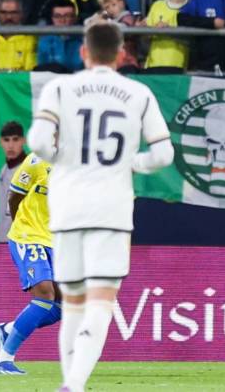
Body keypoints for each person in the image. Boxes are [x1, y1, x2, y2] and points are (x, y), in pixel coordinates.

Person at [27, 21, 174, 392]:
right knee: (101, 301)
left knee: (73, 302)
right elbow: (163, 153)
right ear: (123, 55)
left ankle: (69, 382)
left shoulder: (60, 87)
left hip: (67, 208)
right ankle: (74, 385)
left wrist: (63, 157)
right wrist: (130, 163)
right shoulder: (138, 93)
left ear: (83, 52)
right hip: (112, 210)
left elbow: (39, 141)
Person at [0, 153, 60, 375]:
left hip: (57, 240)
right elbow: (15, 196)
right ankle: (4, 359)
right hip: (29, 236)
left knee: (66, 306)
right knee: (45, 293)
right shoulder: (36, 160)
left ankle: (7, 330)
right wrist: (24, 223)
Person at [143, 0, 191, 72]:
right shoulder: (157, 5)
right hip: (154, 63)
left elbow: (193, 39)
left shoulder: (193, 6)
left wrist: (170, 30)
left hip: (179, 64)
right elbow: (146, 35)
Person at [0, 121, 27, 243]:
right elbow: (6, 210)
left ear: (24, 141)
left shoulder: (29, 169)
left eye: (15, 139)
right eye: (6, 140)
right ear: (1, 142)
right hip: (5, 239)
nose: (11, 145)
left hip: (23, 241)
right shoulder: (4, 170)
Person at [36, 0, 83, 72]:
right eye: (57, 16)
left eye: (67, 16)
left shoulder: (85, 41)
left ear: (75, 18)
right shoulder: (45, 42)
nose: (62, 20)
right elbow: (41, 70)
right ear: (52, 19)